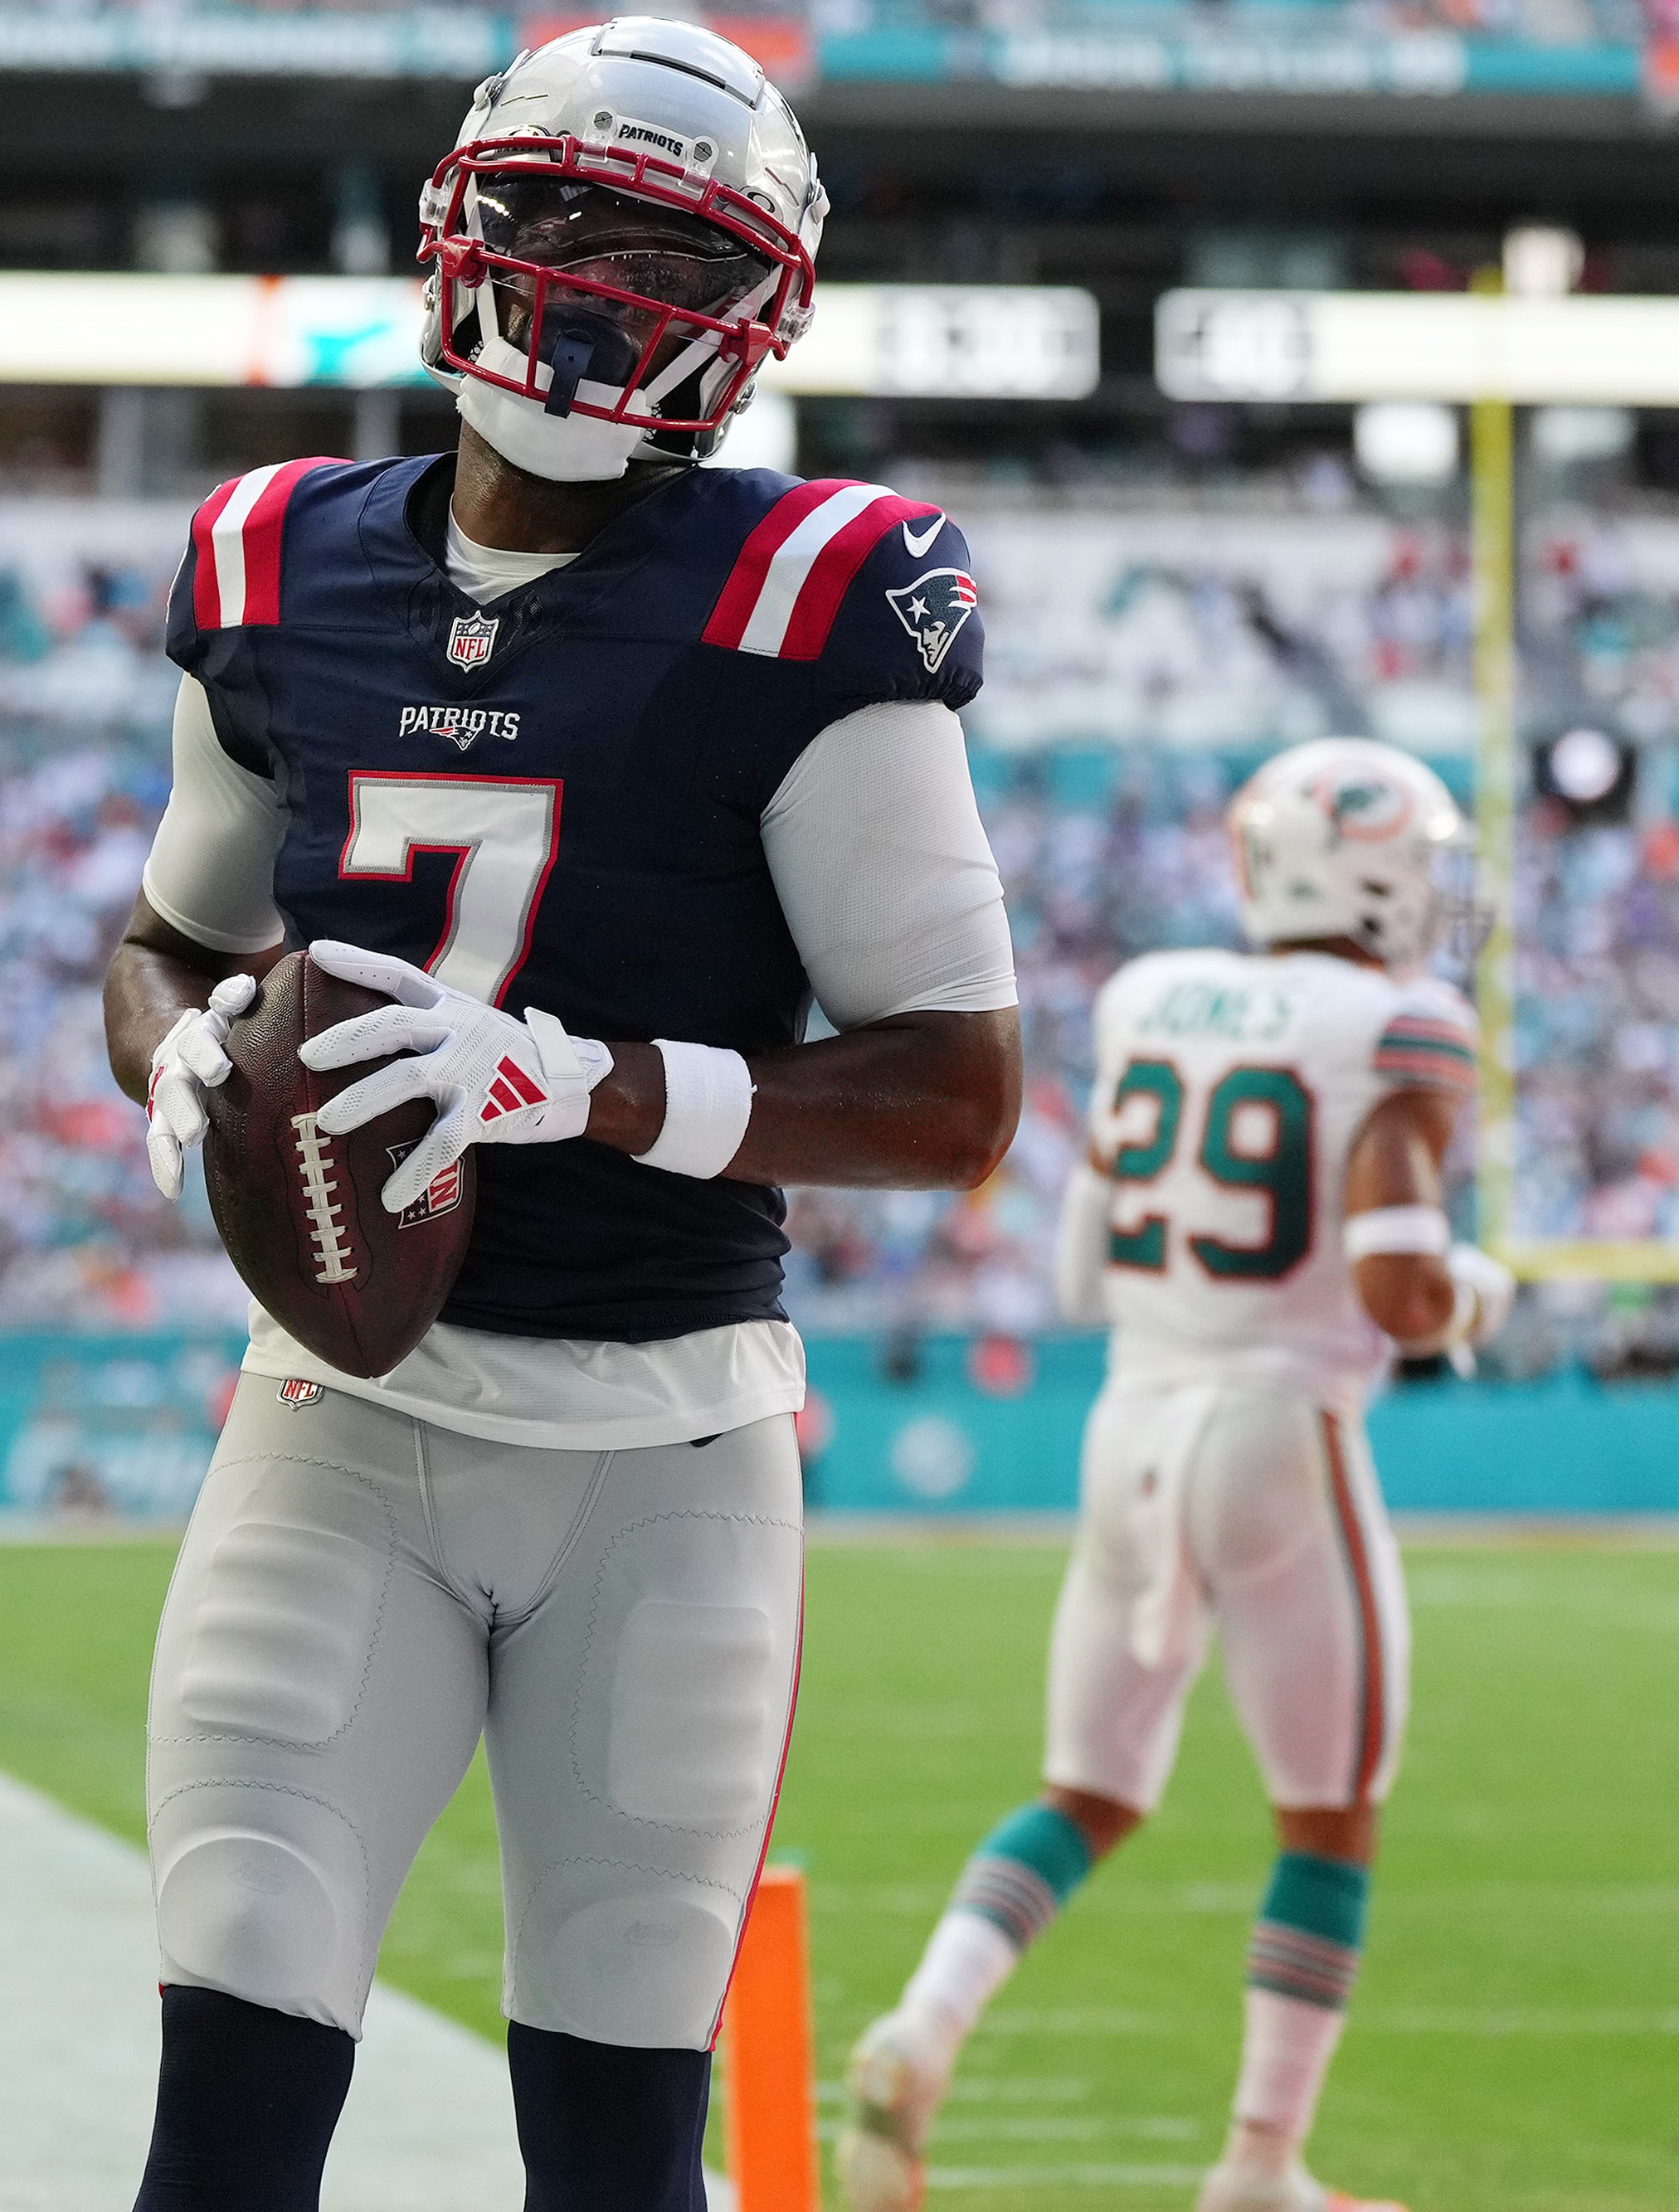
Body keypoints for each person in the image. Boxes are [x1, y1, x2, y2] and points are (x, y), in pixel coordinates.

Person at [106, 19, 1019, 2205]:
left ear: (753, 316)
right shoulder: (270, 557)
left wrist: (592, 1086)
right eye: (561, 228)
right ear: (459, 226)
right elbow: (163, 936)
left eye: (661, 263)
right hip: (338, 1420)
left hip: (662, 1450)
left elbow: (956, 1093)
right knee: (224, 2115)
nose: (596, 300)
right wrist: (178, 1046)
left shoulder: (815, 591)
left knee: (616, 2155)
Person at [841, 740, 1516, 2212]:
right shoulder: (1400, 1022)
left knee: (1086, 1788)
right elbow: (1401, 1290)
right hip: (1279, 1429)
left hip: (1133, 1423)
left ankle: (924, 2023)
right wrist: (1479, 1293)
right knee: (1328, 1815)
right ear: (1375, 876)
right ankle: (1261, 2166)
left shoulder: (1151, 997)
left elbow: (1080, 1273)